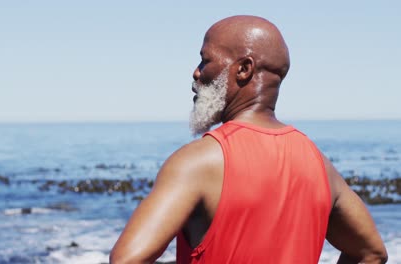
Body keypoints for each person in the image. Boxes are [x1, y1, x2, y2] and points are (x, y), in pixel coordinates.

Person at [110, 15, 388, 264]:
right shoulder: (318, 164)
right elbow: (371, 253)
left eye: (205, 60)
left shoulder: (199, 161)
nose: (196, 72)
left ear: (243, 69)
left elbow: (126, 260)